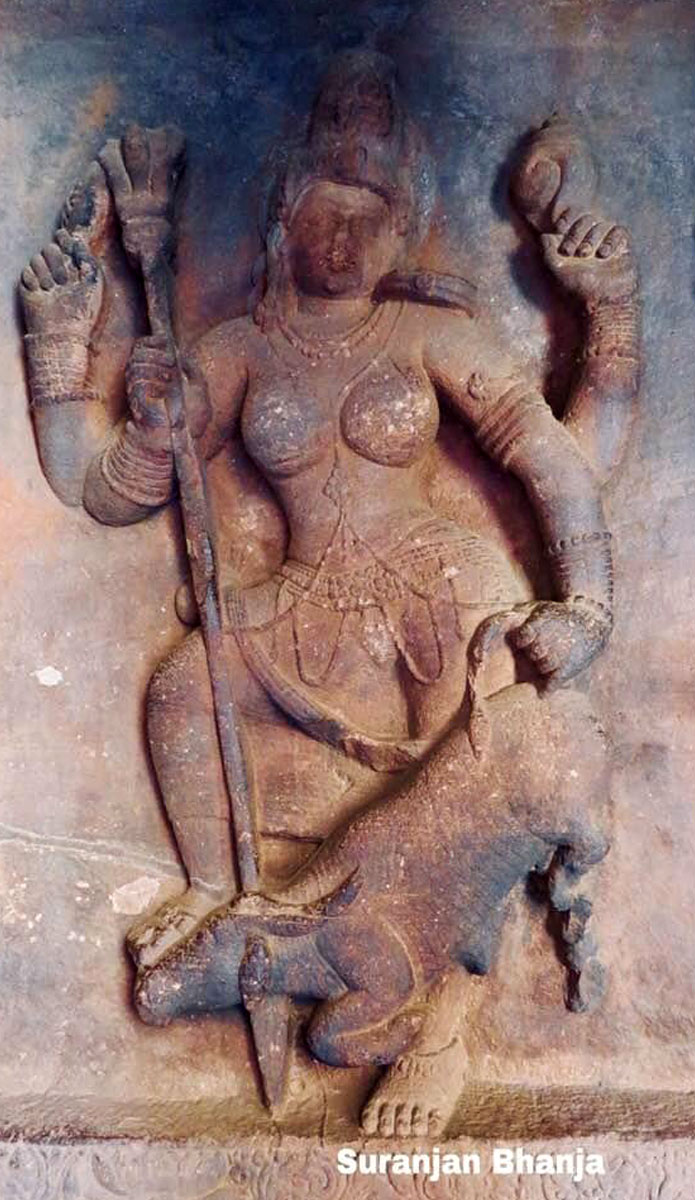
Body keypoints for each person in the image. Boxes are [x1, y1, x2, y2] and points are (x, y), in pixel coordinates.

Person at [20, 51, 639, 1137]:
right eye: (323, 213)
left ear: (402, 234)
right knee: (183, 688)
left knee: (477, 764)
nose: (344, 242)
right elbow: (109, 491)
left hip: (440, 591)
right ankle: (220, 902)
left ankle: (443, 1022)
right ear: (282, 218)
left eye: (369, 220)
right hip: (303, 601)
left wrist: (584, 605)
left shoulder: (428, 336)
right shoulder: (238, 349)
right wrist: (66, 357)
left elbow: (557, 461)